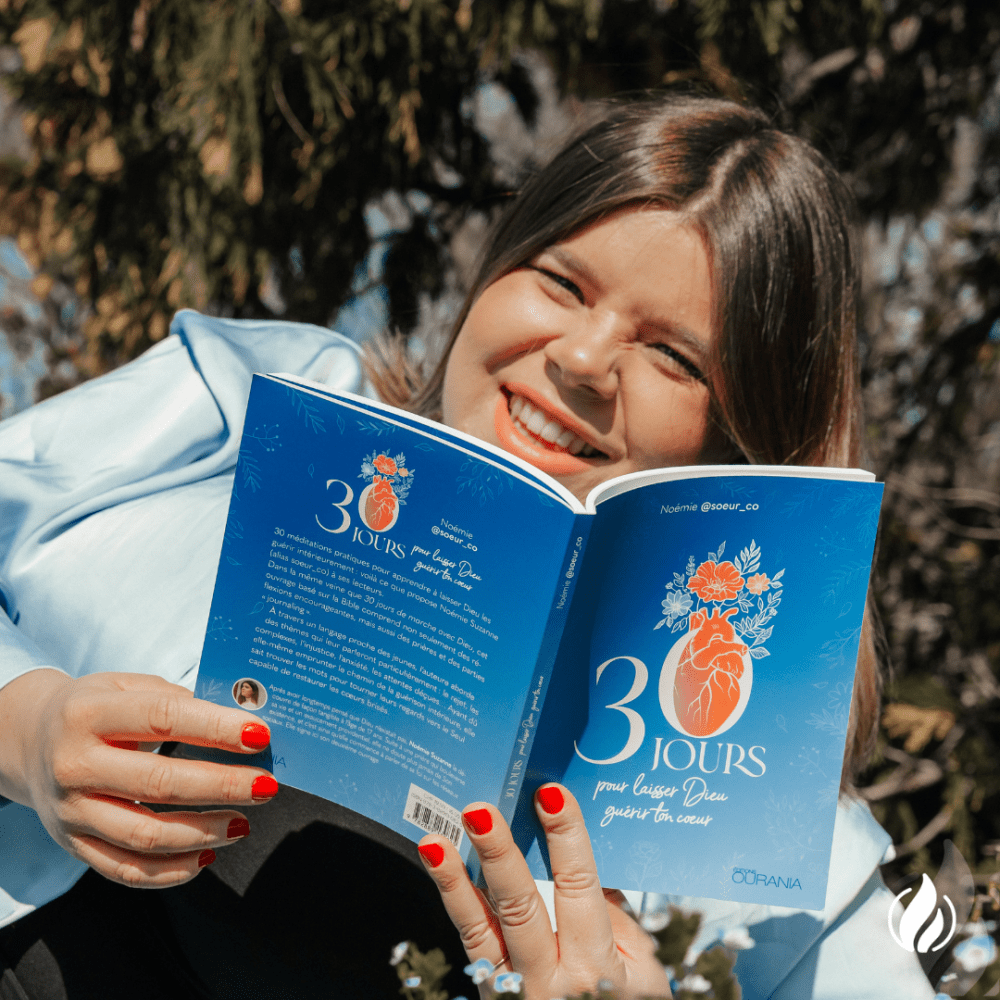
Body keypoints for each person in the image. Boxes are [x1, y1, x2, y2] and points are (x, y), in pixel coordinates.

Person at [0, 94, 934, 999]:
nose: (581, 359)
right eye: (561, 283)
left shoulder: (796, 866)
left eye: (674, 356)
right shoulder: (256, 403)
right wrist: (27, 733)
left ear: (744, 445)